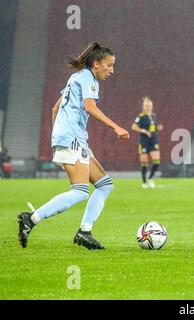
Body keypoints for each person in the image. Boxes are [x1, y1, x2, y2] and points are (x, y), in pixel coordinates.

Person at [17, 42, 130, 250]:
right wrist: (116, 127)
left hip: (70, 138)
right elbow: (90, 106)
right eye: (109, 65)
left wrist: (57, 138)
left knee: (105, 185)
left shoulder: (75, 78)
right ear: (96, 64)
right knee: (80, 191)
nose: (112, 70)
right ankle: (31, 219)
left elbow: (54, 109)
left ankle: (84, 232)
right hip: (73, 138)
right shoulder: (89, 80)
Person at [131, 96, 163, 189]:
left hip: (153, 140)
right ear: (143, 106)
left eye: (149, 105)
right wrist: (144, 131)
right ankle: (144, 182)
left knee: (156, 162)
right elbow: (133, 127)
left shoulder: (154, 115)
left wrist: (157, 128)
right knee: (144, 162)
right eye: (146, 105)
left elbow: (153, 128)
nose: (148, 107)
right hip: (144, 141)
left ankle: (151, 178)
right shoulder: (140, 116)